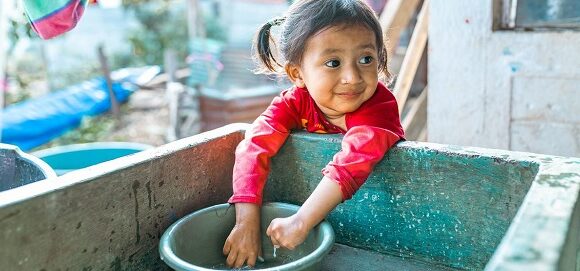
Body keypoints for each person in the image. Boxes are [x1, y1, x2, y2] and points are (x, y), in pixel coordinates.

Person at [222, 0, 405, 268]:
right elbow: (254, 146)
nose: (353, 77)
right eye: (333, 62)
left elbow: (351, 164)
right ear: (297, 74)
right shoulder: (293, 103)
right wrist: (246, 223)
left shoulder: (379, 108)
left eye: (366, 59)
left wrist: (300, 221)